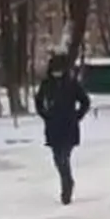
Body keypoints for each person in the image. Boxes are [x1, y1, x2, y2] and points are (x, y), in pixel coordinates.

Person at [34, 54, 91, 204]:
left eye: (59, 70)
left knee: (64, 156)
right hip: (53, 127)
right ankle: (67, 179)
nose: (56, 73)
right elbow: (38, 101)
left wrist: (77, 116)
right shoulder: (47, 84)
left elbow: (85, 101)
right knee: (57, 158)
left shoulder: (71, 84)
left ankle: (66, 186)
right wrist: (45, 115)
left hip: (69, 126)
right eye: (54, 70)